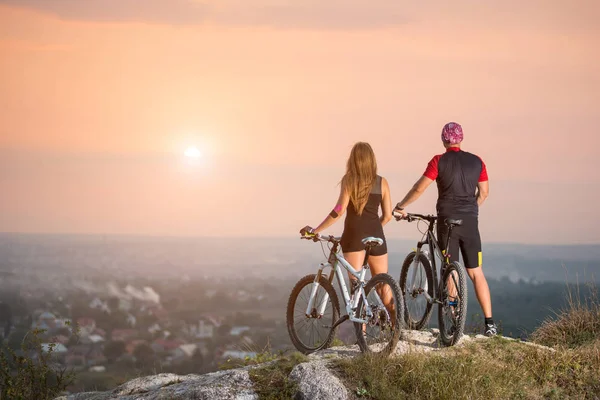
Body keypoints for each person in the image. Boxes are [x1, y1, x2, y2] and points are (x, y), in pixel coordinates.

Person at [393, 122, 497, 336]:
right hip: (470, 222)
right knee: (476, 272)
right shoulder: (477, 161)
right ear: (461, 139)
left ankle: (454, 319)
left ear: (443, 140)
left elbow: (419, 187)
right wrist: (469, 210)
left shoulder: (438, 161)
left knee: (451, 267)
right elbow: (484, 193)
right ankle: (490, 324)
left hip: (447, 220)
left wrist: (401, 206)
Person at [300, 141, 393, 287]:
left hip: (354, 236)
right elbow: (388, 216)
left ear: (353, 160)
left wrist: (316, 230)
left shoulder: (349, 180)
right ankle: (394, 310)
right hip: (376, 235)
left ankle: (358, 308)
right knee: (383, 287)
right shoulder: (382, 182)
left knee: (356, 287)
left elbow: (339, 210)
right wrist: (373, 229)